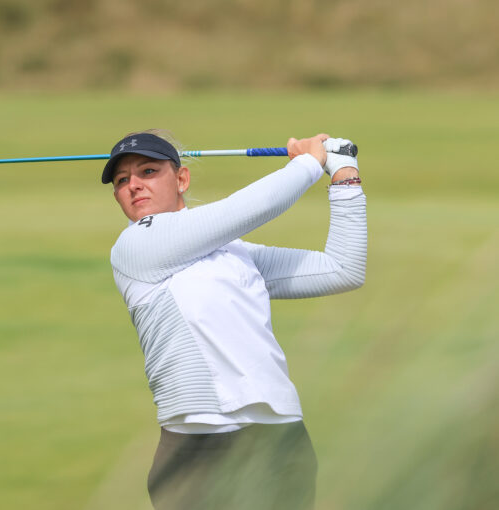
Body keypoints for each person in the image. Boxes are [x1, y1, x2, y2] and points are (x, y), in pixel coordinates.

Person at [102, 130, 366, 510]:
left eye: (147, 171)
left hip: (280, 440)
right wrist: (311, 162)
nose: (134, 186)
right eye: (122, 180)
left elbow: (342, 269)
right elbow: (242, 210)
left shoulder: (234, 254)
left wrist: (344, 175)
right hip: (197, 449)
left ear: (181, 179)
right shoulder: (134, 248)